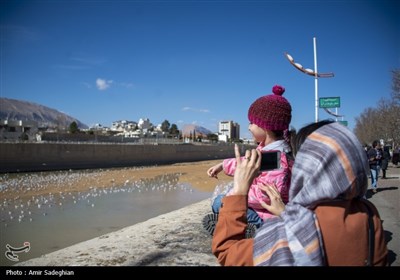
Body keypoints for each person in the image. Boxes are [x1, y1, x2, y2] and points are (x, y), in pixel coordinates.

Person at [212, 120, 388, 266]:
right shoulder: (370, 215)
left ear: (307, 165)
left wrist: (240, 190)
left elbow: (227, 252)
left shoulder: (286, 234)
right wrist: (286, 212)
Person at [203, 85, 294, 235]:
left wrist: (238, 193)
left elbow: (265, 197)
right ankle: (231, 221)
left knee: (221, 202)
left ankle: (252, 227)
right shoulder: (268, 150)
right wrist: (222, 165)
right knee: (221, 200)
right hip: (260, 209)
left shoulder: (278, 160)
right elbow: (245, 162)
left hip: (267, 215)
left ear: (265, 127)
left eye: (252, 122)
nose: (249, 127)